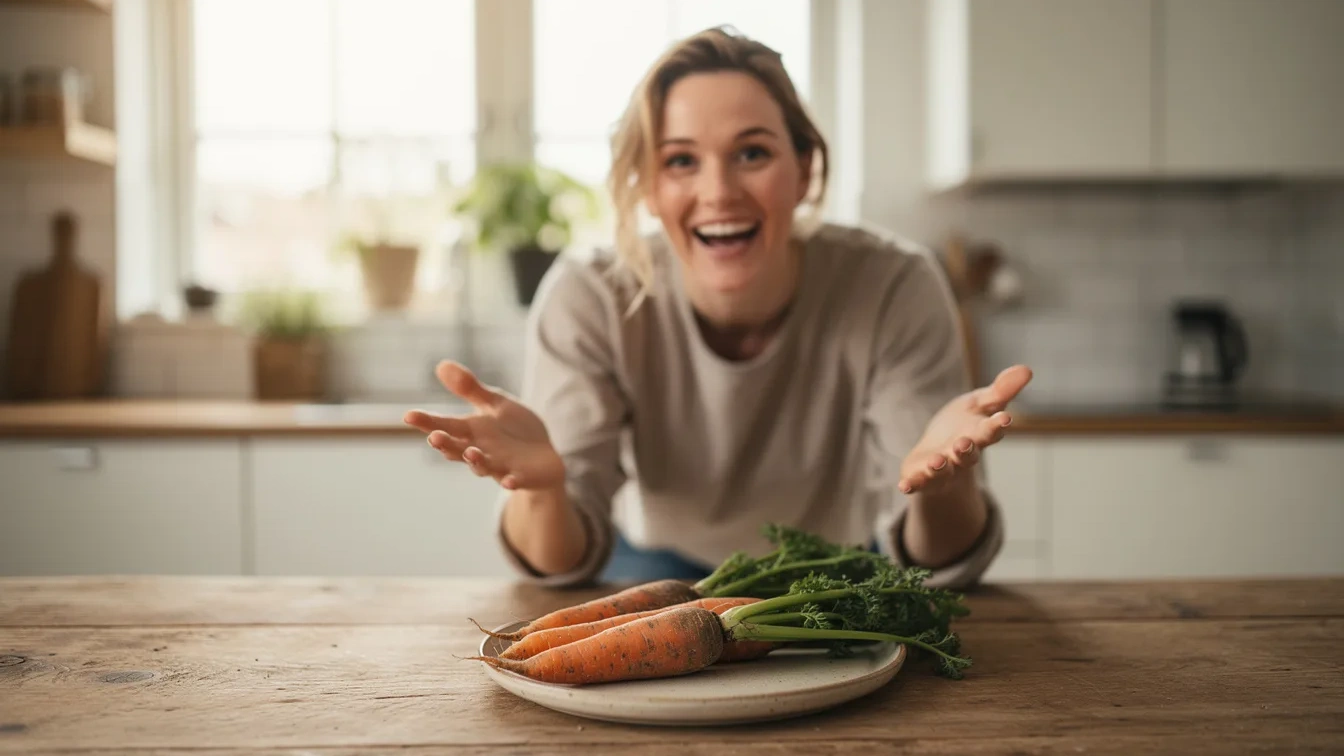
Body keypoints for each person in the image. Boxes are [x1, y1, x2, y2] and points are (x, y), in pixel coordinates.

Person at [404, 26, 1032, 590]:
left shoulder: (894, 285)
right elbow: (561, 558)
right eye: (681, 161)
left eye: (752, 153)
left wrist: (945, 489)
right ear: (649, 188)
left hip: (834, 576)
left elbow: (935, 558)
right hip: (651, 569)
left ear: (804, 170)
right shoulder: (593, 295)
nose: (719, 192)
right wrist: (544, 493)